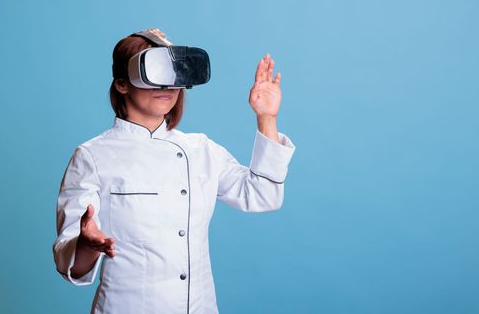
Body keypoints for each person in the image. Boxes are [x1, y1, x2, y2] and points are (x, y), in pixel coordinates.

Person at [53, 28, 296, 314]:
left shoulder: (201, 150)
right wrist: (87, 244)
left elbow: (263, 194)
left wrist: (266, 118)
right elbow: (69, 265)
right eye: (154, 72)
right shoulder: (93, 156)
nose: (166, 86)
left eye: (173, 74)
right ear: (121, 83)